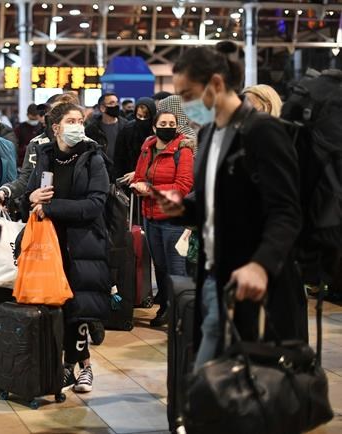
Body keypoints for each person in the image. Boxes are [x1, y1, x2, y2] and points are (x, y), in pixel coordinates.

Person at [158, 43, 306, 370]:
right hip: (214, 277)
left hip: (254, 284)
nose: (184, 105)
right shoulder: (209, 132)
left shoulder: (262, 131)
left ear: (216, 84)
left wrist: (261, 265)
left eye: (188, 94)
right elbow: (213, 202)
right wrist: (182, 208)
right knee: (214, 383)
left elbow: (287, 211)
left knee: (253, 387)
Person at [23, 101, 110, 393]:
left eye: (80, 121)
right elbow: (32, 195)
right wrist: (32, 197)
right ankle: (61, 366)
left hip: (84, 244)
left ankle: (83, 366)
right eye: (71, 121)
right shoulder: (45, 155)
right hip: (50, 242)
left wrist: (53, 208)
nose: (78, 127)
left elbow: (96, 204)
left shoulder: (93, 157)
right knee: (53, 305)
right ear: (56, 127)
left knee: (79, 308)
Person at [130, 111, 194, 327]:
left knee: (177, 270)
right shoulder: (147, 148)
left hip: (173, 220)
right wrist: (139, 186)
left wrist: (151, 190)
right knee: (161, 267)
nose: (168, 126)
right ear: (155, 127)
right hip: (150, 217)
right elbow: (140, 175)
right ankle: (166, 309)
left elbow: (183, 187)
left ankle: (183, 316)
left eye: (172, 123)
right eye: (163, 123)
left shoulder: (182, 151)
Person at [112, 97, 157, 182]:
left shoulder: (157, 130)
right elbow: (119, 157)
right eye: (139, 116)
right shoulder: (128, 129)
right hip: (128, 177)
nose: (142, 120)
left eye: (146, 117)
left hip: (153, 178)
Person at [85, 92, 129, 165]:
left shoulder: (126, 126)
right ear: (102, 108)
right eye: (112, 103)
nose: (116, 106)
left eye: (117, 102)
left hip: (122, 170)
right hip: (100, 169)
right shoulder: (92, 129)